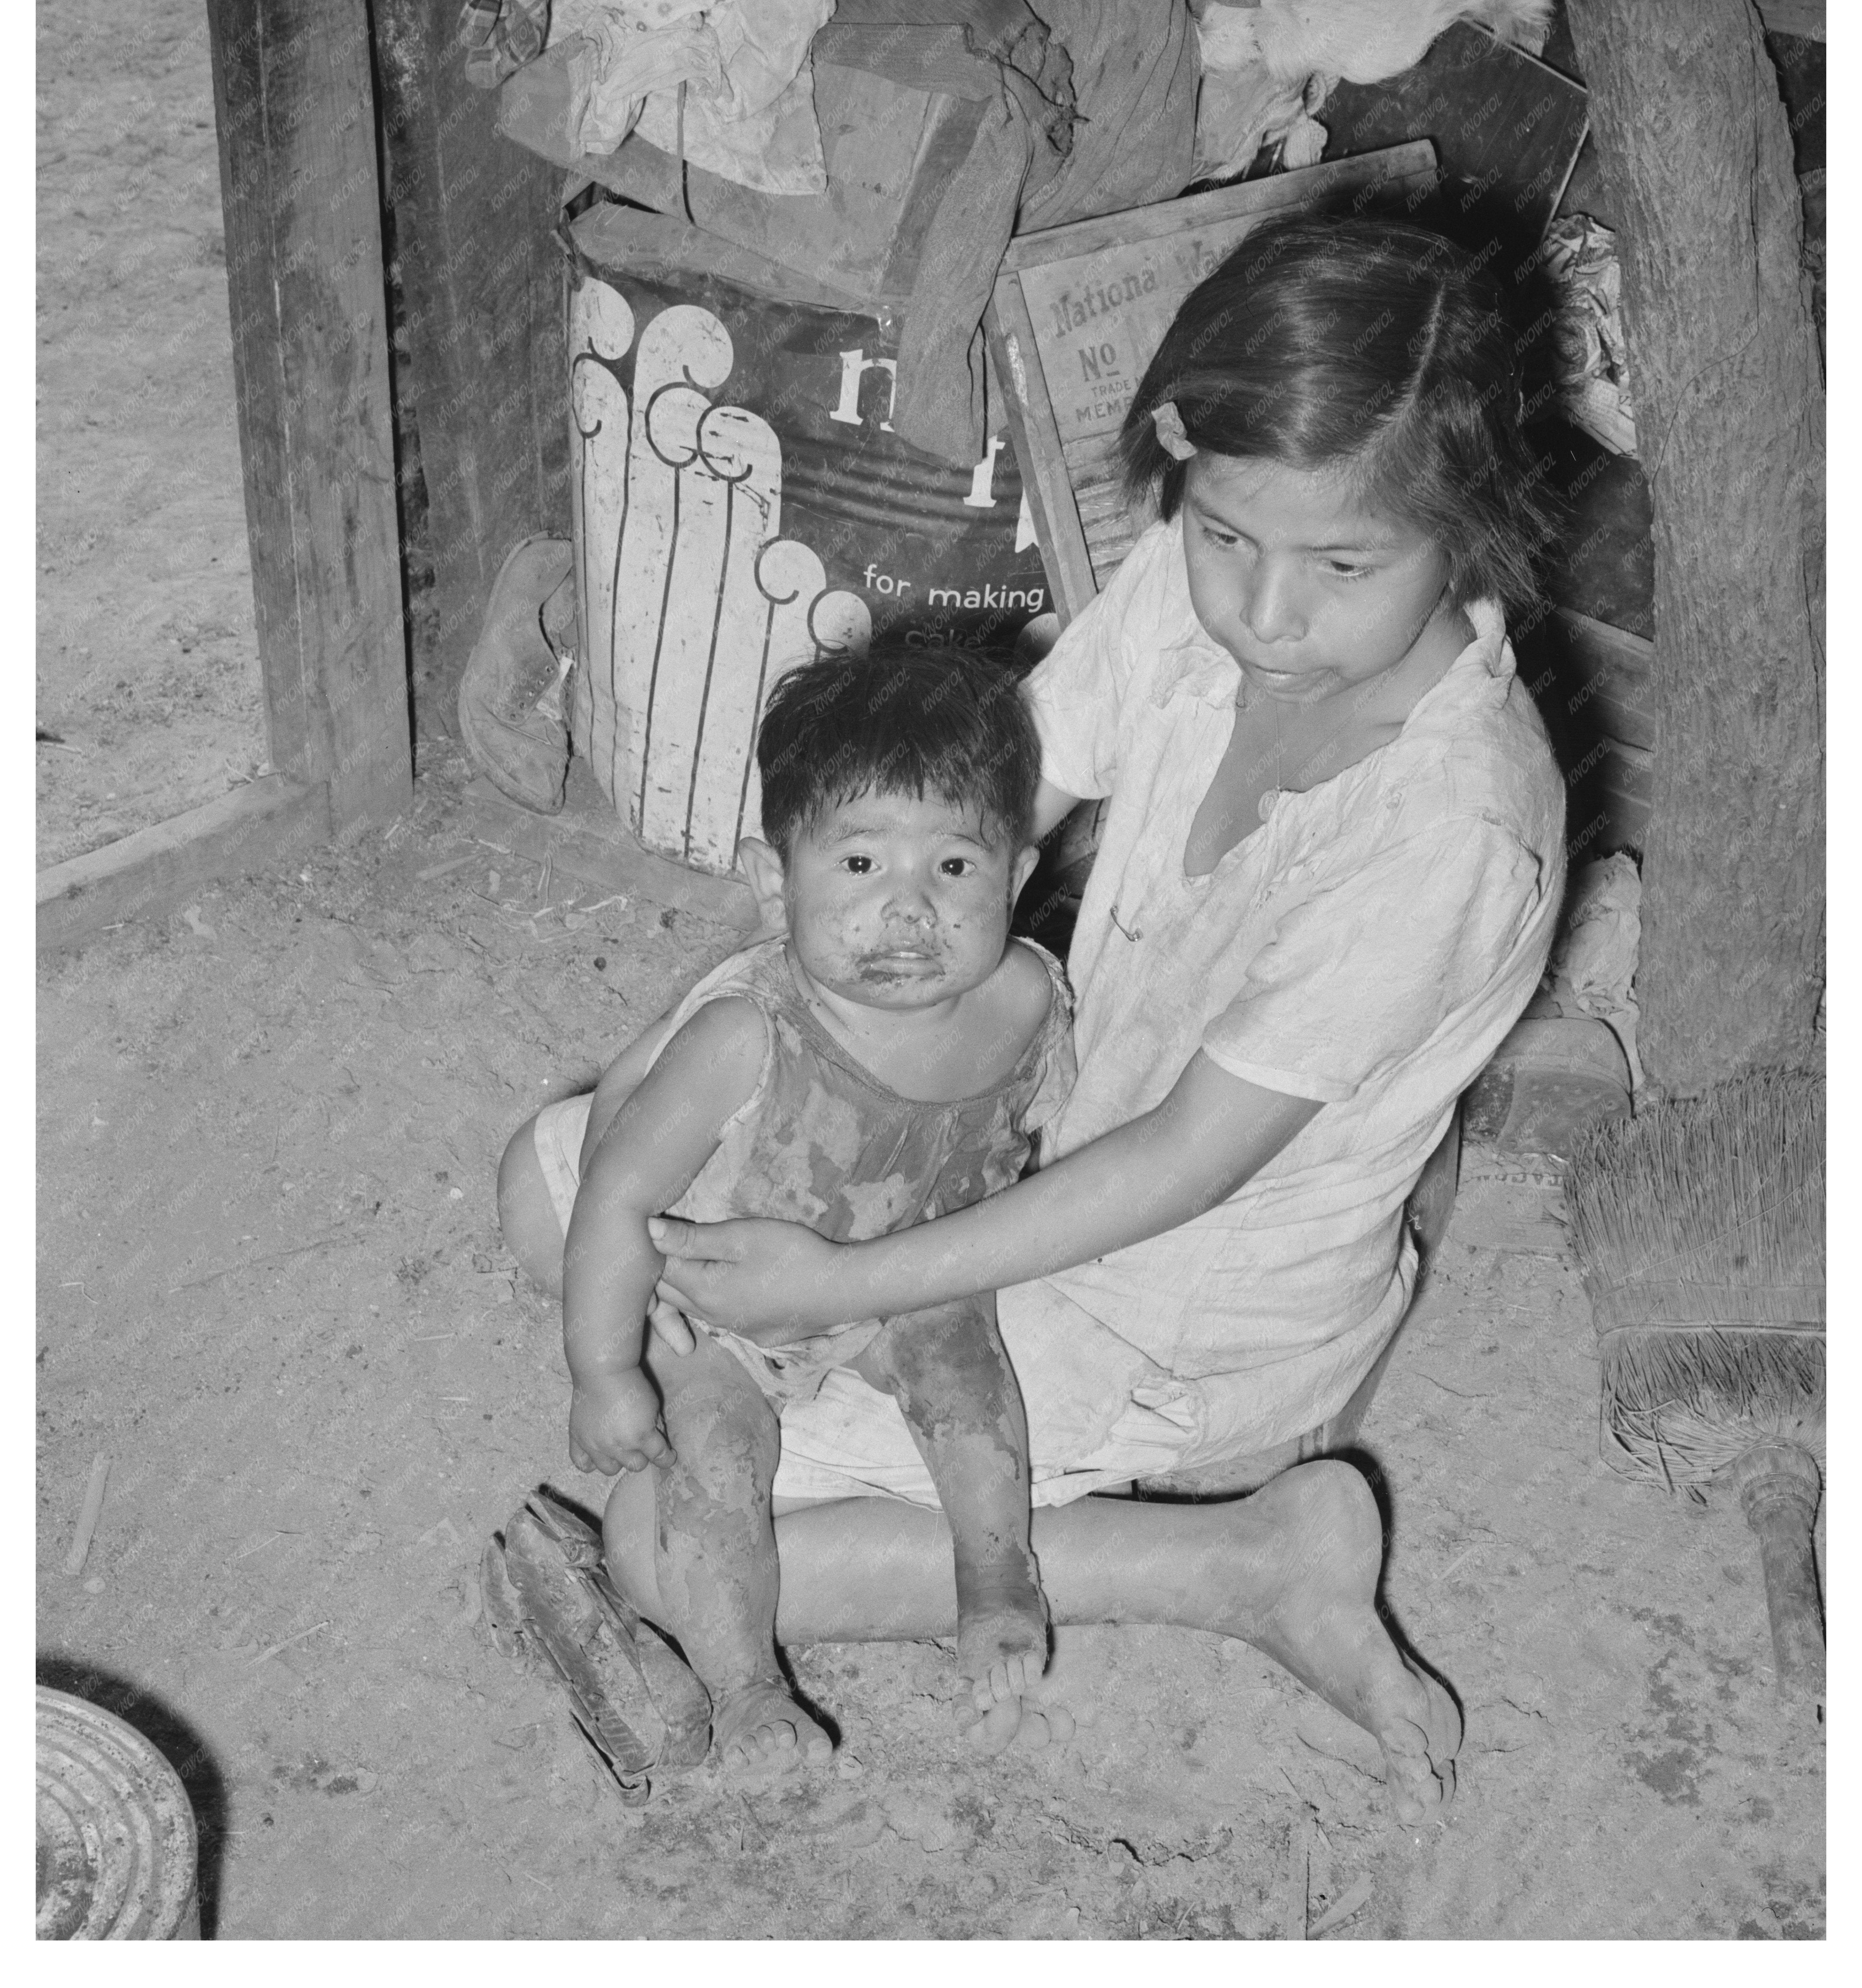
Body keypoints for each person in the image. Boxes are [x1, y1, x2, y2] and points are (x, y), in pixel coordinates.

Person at [625, 215, 1570, 1825]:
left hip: (1179, 1314)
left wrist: (846, 1273)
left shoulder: (1443, 831)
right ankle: (842, 1328)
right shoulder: (1195, 598)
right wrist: (800, 1024)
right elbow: (1001, 800)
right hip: (1022, 1155)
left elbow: (1183, 1165)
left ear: (1463, 536)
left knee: (667, 1542)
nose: (1265, 609)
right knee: (576, 1172)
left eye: (1343, 566)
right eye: (1221, 538)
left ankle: (1235, 1553)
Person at [498, 645, 1075, 1782]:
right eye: (858, 861)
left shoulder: (1026, 997)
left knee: (967, 1379)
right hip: (732, 1311)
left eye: (954, 864)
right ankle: (746, 1686)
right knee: (711, 1458)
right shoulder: (747, 1034)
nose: (907, 910)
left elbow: (1043, 1138)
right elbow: (619, 1190)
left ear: (1017, 870)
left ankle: (998, 1577)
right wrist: (604, 1367)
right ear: (778, 884)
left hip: (903, 1277)